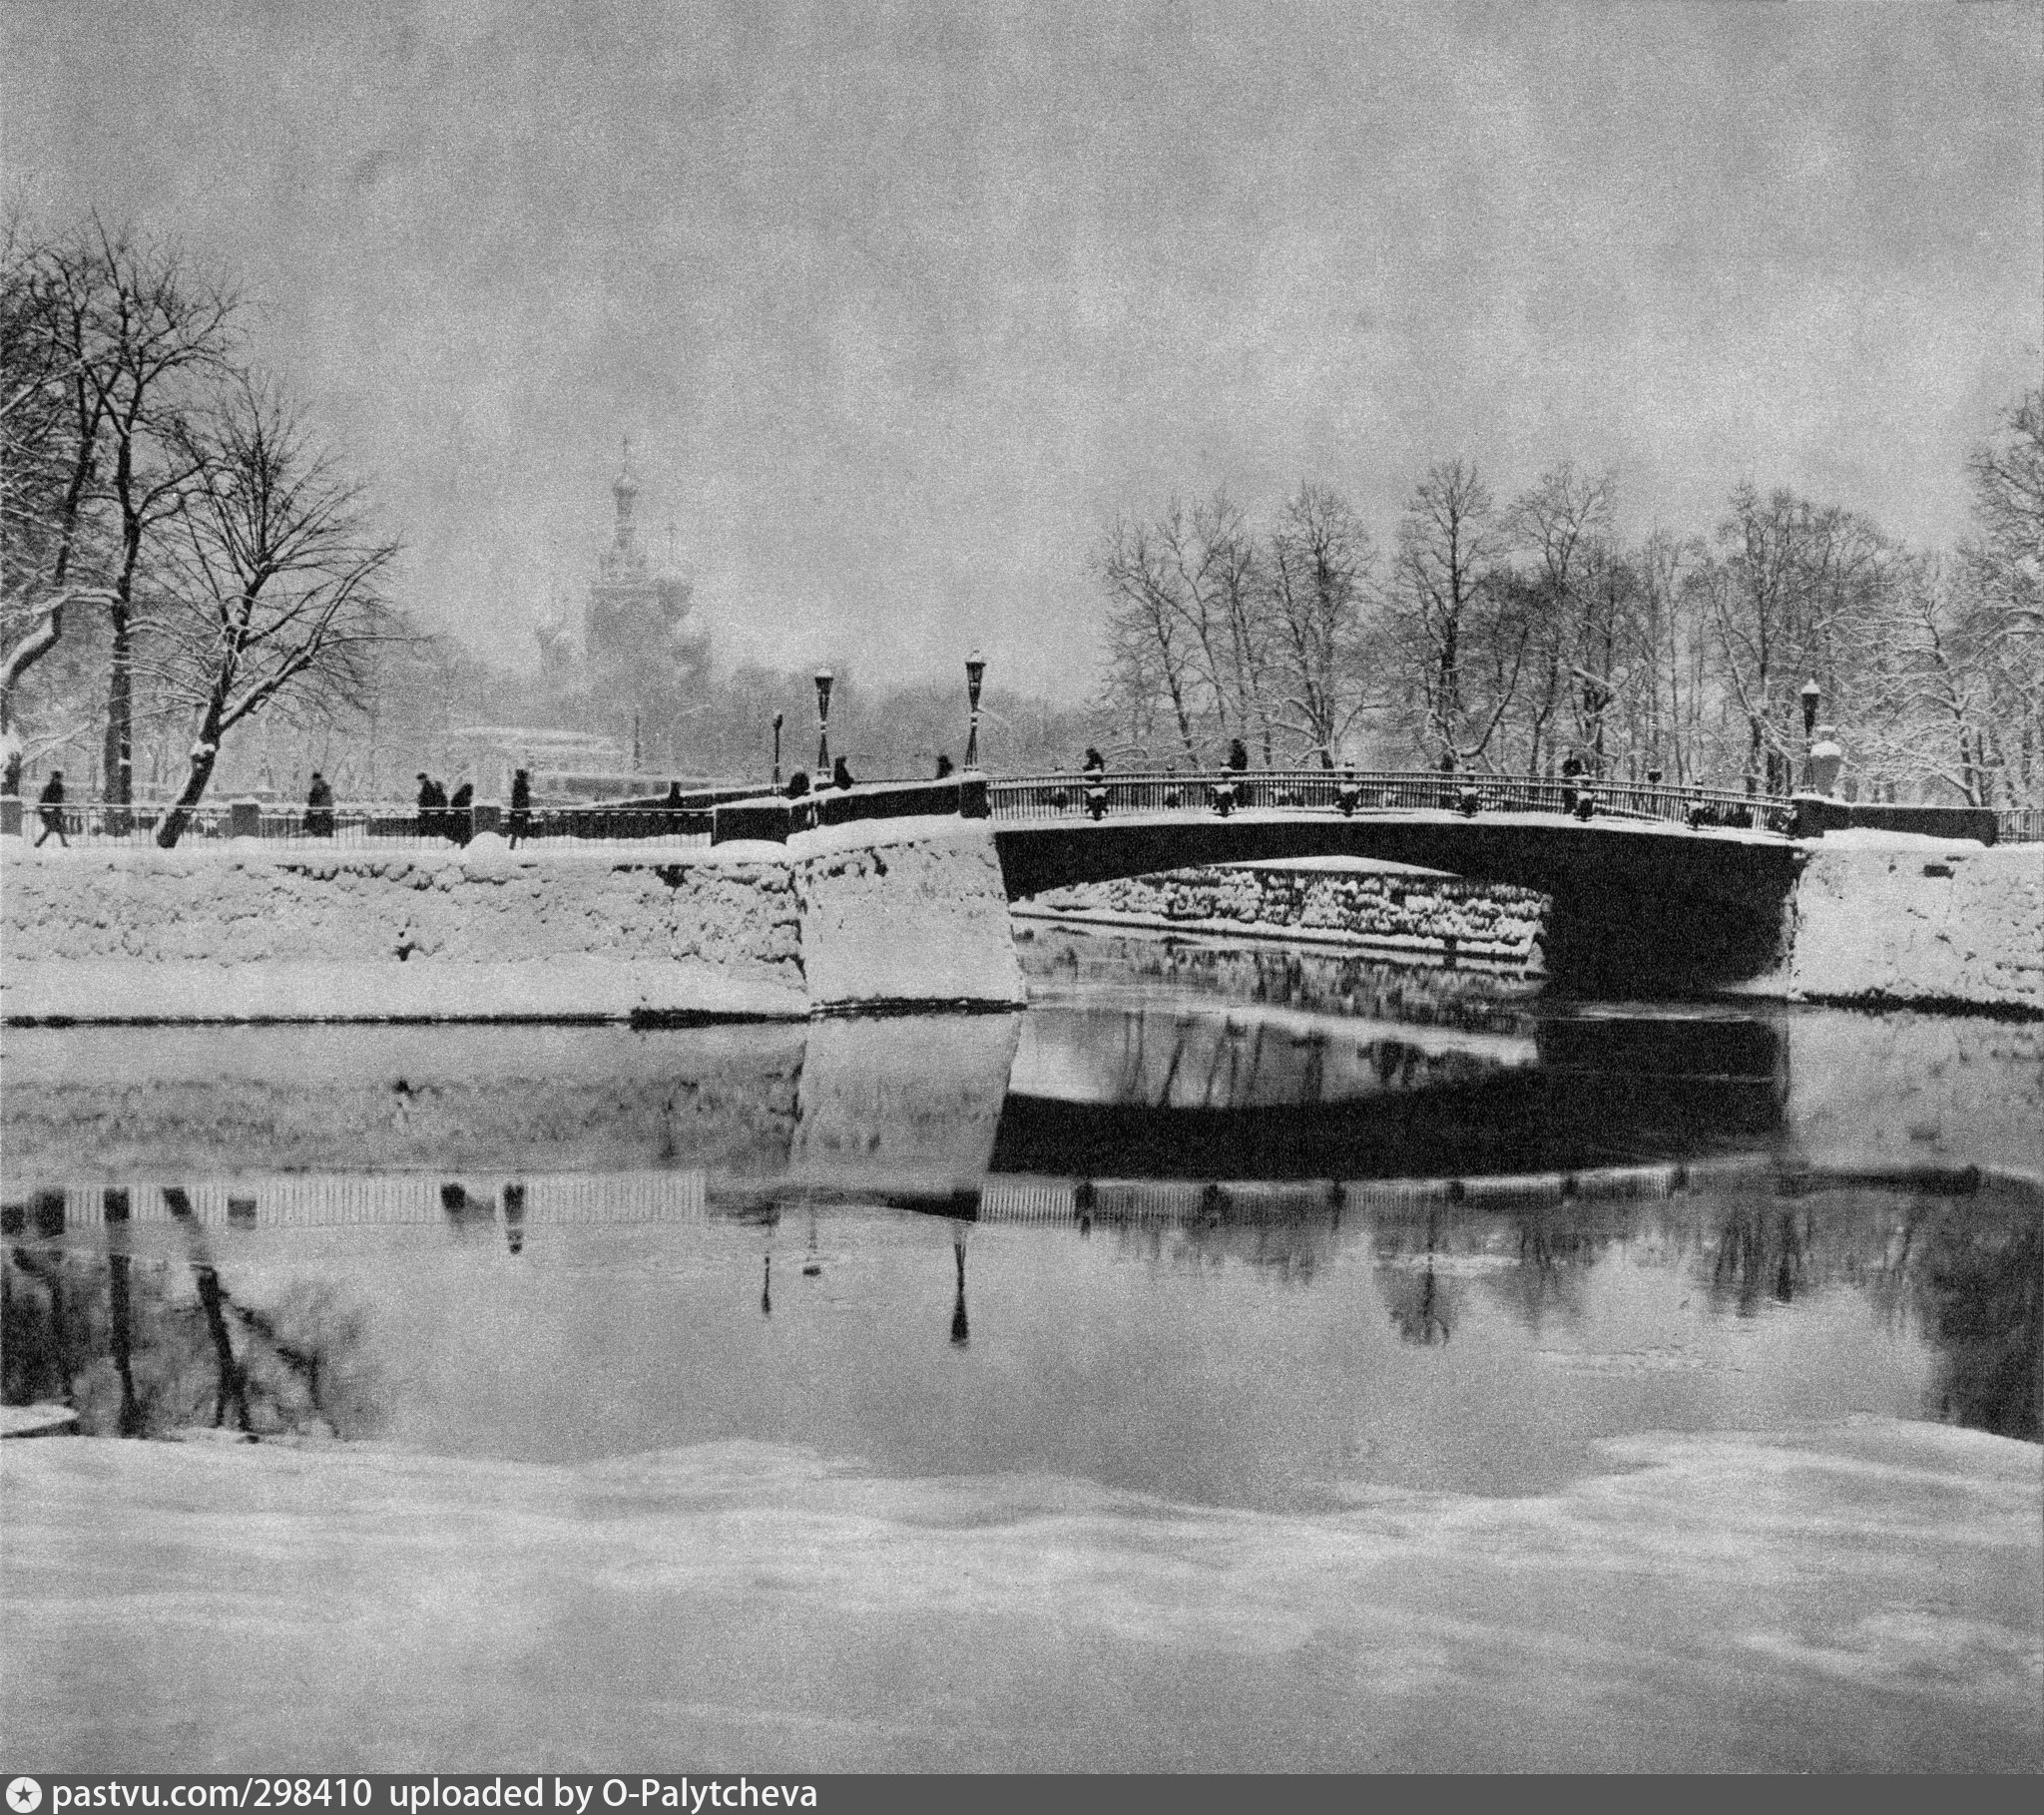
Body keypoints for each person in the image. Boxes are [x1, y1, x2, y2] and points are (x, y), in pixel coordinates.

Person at [34, 770, 67, 848]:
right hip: (48, 811)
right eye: (57, 778)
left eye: (59, 779)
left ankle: (39, 843)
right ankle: (39, 843)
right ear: (54, 778)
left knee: (57, 828)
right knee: (51, 828)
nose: (58, 780)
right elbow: (44, 799)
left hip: (55, 811)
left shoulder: (60, 788)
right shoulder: (49, 788)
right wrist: (41, 808)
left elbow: (59, 800)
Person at [303, 771, 335, 838]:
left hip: (319, 809)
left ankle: (319, 834)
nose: (313, 781)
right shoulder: (323, 786)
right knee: (321, 822)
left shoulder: (319, 786)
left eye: (314, 780)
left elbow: (317, 798)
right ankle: (322, 833)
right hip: (322, 809)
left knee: (317, 822)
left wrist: (315, 804)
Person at [507, 768, 532, 848]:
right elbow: (524, 801)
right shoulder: (522, 787)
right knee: (521, 829)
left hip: (517, 811)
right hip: (521, 811)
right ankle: (518, 846)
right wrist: (526, 811)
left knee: (517, 830)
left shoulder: (517, 786)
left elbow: (515, 800)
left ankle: (513, 845)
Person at [447, 780, 474, 846]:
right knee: (466, 828)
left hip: (457, 817)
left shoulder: (459, 794)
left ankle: (463, 841)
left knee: (464, 828)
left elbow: (453, 805)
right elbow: (466, 807)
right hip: (461, 818)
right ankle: (465, 841)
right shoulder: (464, 796)